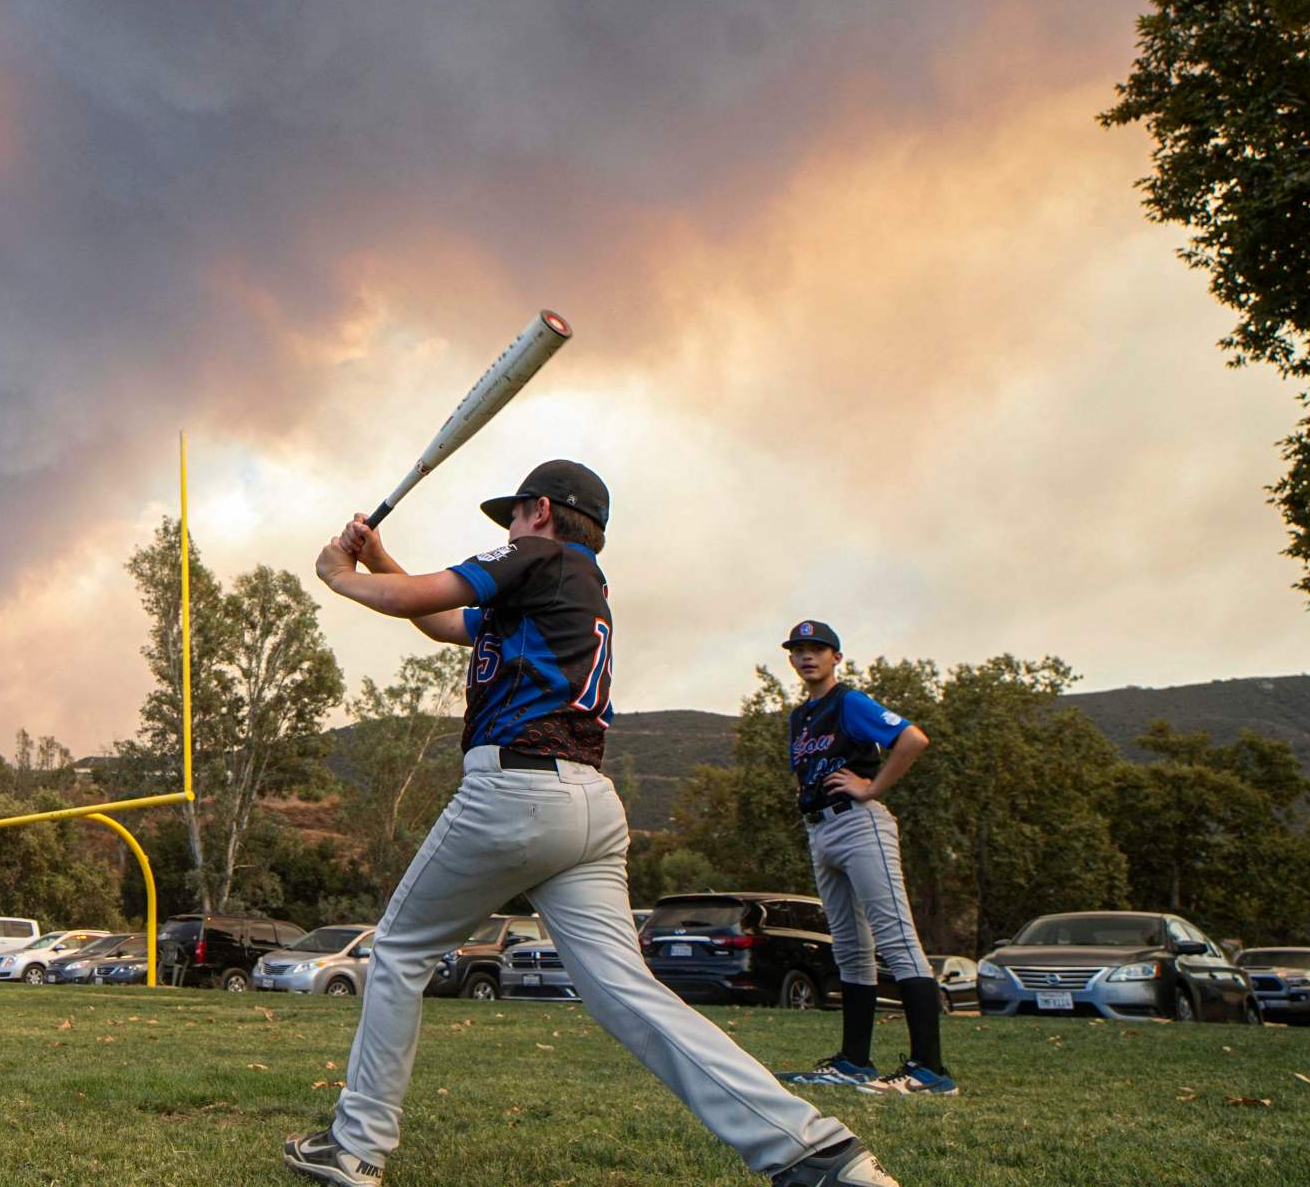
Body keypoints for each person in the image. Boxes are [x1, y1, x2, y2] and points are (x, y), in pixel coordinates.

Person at [285, 461, 898, 1187]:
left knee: (396, 953)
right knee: (625, 993)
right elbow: (441, 620)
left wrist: (339, 575)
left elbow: (417, 596)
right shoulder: (568, 584)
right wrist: (379, 558)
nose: (508, 527)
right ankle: (812, 1150)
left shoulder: (538, 555)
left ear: (541, 511)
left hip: (514, 792)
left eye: (513, 514)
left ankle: (355, 1146)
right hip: (589, 808)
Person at [773, 622, 955, 1097]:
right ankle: (854, 1062)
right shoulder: (801, 717)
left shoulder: (848, 702)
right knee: (851, 950)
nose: (807, 656)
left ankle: (930, 1070)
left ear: (836, 657)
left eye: (818, 649)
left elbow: (913, 739)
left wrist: (872, 788)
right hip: (822, 830)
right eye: (799, 650)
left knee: (896, 938)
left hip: (859, 823)